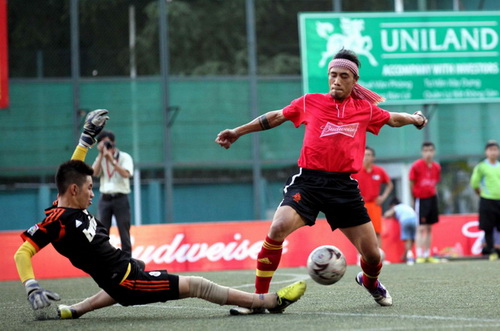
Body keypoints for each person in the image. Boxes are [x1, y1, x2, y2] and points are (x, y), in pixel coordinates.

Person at [13, 109, 306, 320]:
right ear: (75, 191)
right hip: (127, 280)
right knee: (197, 285)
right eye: (90, 188)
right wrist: (31, 285)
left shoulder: (65, 202)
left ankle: (75, 310)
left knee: (118, 286)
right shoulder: (56, 221)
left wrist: (86, 141)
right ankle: (267, 301)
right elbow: (22, 253)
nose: (94, 192)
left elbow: (71, 174)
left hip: (124, 272)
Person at [215, 49, 428, 314]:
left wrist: (416, 119)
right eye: (332, 75)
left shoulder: (365, 110)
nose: (336, 80)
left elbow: (394, 118)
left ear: (354, 81)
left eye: (343, 76)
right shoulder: (309, 102)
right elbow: (276, 116)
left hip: (344, 188)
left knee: (373, 256)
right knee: (278, 227)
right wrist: (237, 132)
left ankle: (369, 281)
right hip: (309, 182)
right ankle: (258, 299)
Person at [92, 130, 134, 257]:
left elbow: (126, 174)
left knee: (124, 231)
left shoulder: (124, 157)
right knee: (102, 231)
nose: (106, 145)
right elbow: (94, 173)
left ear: (114, 142)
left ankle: (127, 261)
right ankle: (104, 259)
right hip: (105, 198)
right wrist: (101, 155)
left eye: (108, 142)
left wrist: (112, 160)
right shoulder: (101, 158)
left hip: (121, 198)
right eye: (102, 143)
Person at [351, 146, 393, 247]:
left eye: (369, 155)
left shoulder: (379, 171)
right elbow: (347, 185)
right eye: (364, 155)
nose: (366, 157)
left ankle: (379, 257)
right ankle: (361, 257)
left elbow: (390, 184)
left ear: (373, 157)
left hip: (375, 205)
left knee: (377, 232)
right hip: (361, 205)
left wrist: (383, 197)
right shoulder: (356, 171)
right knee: (360, 233)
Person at [409, 141, 441, 263]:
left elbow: (435, 183)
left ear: (434, 152)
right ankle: (419, 254)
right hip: (421, 199)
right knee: (421, 227)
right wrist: (414, 198)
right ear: (422, 152)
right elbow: (411, 183)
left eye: (430, 151)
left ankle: (427, 254)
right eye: (426, 151)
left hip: (432, 198)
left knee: (429, 227)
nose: (428, 153)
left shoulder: (437, 167)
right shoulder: (416, 166)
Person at [470, 140, 500, 260]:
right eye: (490, 150)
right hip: (487, 200)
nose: (493, 152)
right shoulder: (481, 167)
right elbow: (474, 183)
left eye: (495, 150)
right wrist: (482, 194)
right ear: (486, 152)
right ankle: (491, 250)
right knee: (488, 227)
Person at [383, 197, 418, 265]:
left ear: (393, 205)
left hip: (405, 220)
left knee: (407, 239)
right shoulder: (406, 206)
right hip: (415, 220)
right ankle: (407, 255)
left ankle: (408, 256)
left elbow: (387, 214)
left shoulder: (396, 207)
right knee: (412, 239)